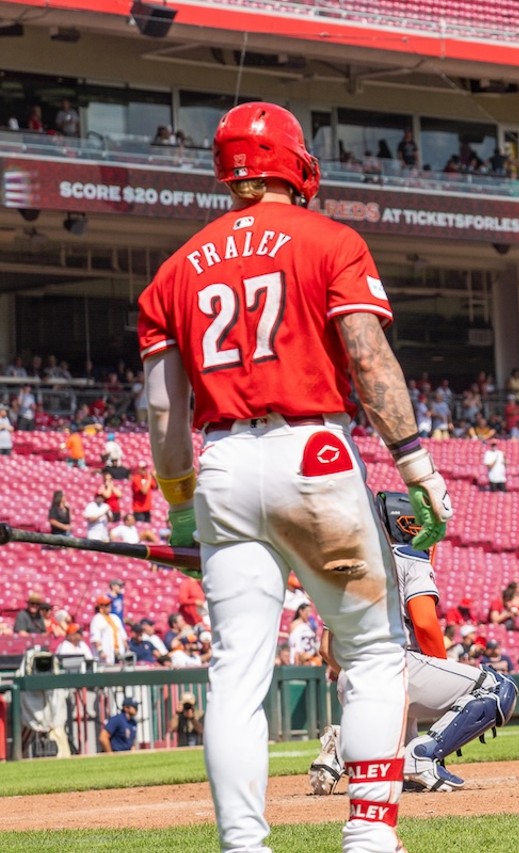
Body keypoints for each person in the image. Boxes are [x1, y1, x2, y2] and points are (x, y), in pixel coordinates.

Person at [137, 101, 452, 852]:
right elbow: (369, 360)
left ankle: (244, 845)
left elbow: (161, 413)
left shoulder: (174, 270)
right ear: (293, 161)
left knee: (236, 673)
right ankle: (369, 836)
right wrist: (415, 462)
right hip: (311, 450)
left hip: (220, 463)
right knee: (372, 652)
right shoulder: (331, 238)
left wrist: (180, 501)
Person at [89, 594, 128, 664]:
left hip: (118, 652)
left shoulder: (115, 617)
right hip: (106, 654)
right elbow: (95, 639)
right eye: (106, 604)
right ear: (100, 607)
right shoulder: (97, 619)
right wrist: (100, 651)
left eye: (109, 604)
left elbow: (123, 636)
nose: (109, 606)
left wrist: (126, 650)